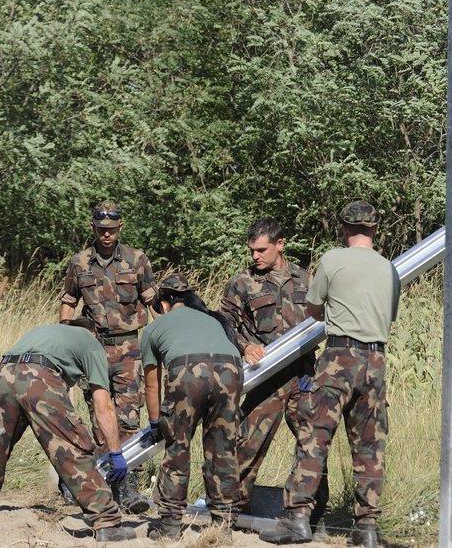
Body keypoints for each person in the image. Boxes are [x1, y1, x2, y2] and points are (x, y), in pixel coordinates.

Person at [260, 201, 400, 548]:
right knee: (370, 445)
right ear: (375, 229)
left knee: (314, 435)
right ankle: (366, 528)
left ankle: (298, 519)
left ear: (343, 228)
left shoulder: (332, 260)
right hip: (376, 360)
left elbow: (313, 309)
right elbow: (390, 314)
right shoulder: (389, 268)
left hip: (340, 355)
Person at [0, 318, 135, 543]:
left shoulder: (46, 332)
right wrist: (115, 452)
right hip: (39, 375)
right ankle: (107, 520)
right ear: (93, 333)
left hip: (4, 372)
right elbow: (103, 406)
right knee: (71, 444)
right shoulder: (91, 343)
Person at [220, 219, 328, 535]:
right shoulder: (242, 282)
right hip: (265, 378)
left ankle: (313, 518)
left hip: (303, 376)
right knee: (246, 444)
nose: (255, 256)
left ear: (280, 245)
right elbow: (225, 321)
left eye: (261, 250)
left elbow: (326, 318)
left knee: (314, 444)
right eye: (252, 250)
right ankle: (226, 517)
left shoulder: (307, 280)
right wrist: (244, 346)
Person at [59, 200, 157, 513]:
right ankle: (105, 485)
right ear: (93, 228)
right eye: (101, 230)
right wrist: (66, 339)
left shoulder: (137, 259)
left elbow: (153, 301)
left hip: (130, 349)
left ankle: (129, 488)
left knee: (128, 416)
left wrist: (164, 337)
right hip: (93, 350)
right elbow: (68, 302)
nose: (106, 235)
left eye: (112, 230)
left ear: (120, 228)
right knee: (100, 419)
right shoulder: (79, 262)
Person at [142, 273, 242, 541]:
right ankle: (223, 527)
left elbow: (152, 386)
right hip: (231, 370)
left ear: (163, 303)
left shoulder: (155, 328)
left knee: (178, 447)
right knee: (223, 451)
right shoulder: (213, 319)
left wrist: (156, 424)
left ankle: (170, 526)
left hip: (188, 372)